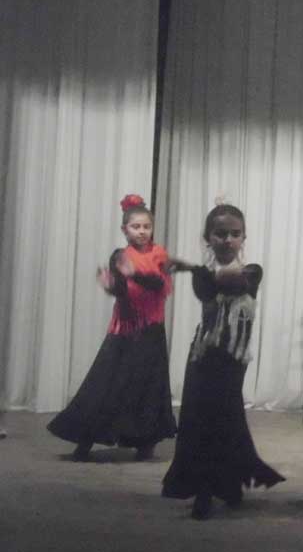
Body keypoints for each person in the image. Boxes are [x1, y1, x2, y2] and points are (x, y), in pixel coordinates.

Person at [162, 203, 284, 519]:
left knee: (223, 419)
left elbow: (236, 281)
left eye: (234, 233)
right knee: (198, 419)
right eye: (220, 233)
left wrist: (190, 266)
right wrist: (194, 270)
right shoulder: (201, 277)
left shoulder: (253, 270)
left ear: (244, 237)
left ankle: (224, 484)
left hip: (232, 359)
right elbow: (209, 288)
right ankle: (208, 489)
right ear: (208, 238)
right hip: (203, 354)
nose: (228, 239)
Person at [48, 195, 177, 461]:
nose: (142, 231)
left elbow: (159, 285)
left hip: (151, 328)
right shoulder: (120, 256)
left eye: (146, 226)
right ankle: (85, 441)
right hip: (124, 329)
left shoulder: (159, 254)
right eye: (136, 226)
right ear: (124, 229)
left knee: (148, 385)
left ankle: (145, 442)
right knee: (106, 382)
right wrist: (111, 286)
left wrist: (134, 274)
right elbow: (121, 290)